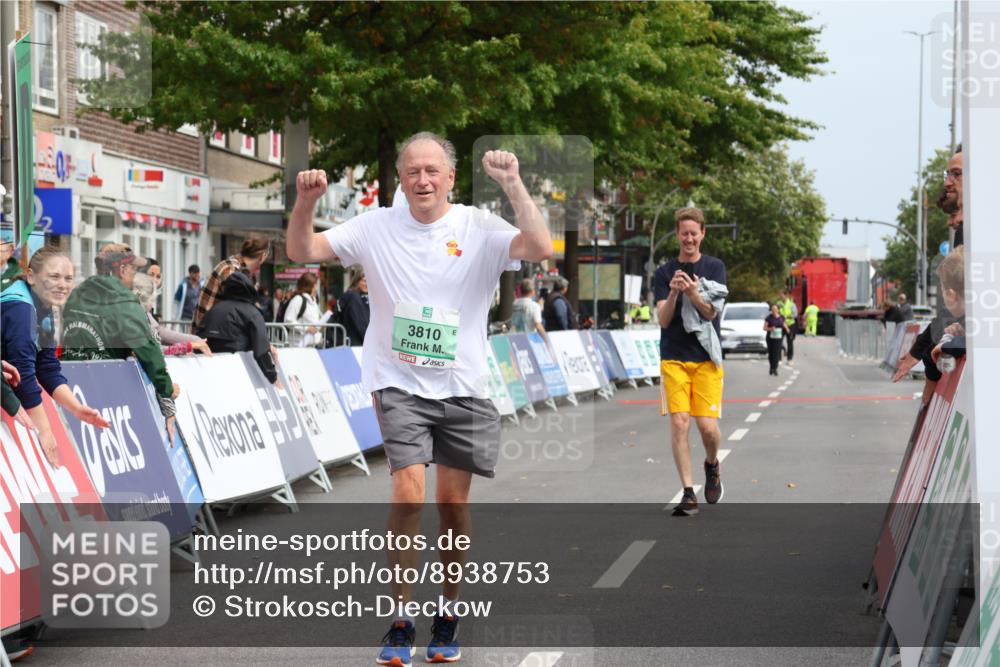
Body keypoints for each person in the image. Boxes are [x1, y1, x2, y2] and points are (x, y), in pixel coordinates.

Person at [286, 131, 551, 665]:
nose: (422, 180)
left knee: (453, 506)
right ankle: (401, 619)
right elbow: (303, 251)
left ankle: (447, 613)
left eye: (433, 170)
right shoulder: (376, 226)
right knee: (408, 496)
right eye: (412, 171)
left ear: (451, 177)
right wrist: (306, 203)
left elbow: (541, 247)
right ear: (401, 179)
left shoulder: (479, 226)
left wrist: (515, 185)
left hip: (464, 387)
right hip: (398, 382)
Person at [0, 246, 110, 467]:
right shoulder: (20, 306)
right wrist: (46, 430)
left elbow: (47, 367)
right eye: (54, 277)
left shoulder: (43, 303)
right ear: (31, 276)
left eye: (68, 278)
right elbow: (23, 374)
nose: (63, 285)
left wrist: (77, 409)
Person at [653, 207, 728, 517]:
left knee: (708, 429)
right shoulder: (663, 272)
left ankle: (712, 465)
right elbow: (664, 319)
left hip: (706, 359)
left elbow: (711, 313)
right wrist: (673, 293)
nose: (688, 238)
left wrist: (694, 293)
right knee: (680, 422)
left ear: (702, 234)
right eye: (683, 233)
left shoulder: (714, 267)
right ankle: (688, 492)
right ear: (677, 235)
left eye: (693, 233)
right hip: (674, 358)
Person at [61, 244, 180, 438]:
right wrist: (167, 388)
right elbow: (148, 350)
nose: (135, 275)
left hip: (69, 381)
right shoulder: (124, 301)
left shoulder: (78, 292)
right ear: (122, 270)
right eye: (133, 269)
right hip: (105, 386)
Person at [196, 270, 280, 386]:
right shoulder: (252, 312)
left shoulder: (214, 309)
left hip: (207, 370)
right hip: (237, 373)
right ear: (250, 288)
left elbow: (198, 340)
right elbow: (261, 351)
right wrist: (274, 378)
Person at [191, 235, 270, 332]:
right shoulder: (231, 270)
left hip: (208, 331)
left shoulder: (231, 265)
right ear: (263, 256)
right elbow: (240, 309)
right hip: (209, 335)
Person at [133, 272, 212, 356]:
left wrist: (196, 340)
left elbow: (159, 332)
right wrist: (188, 345)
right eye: (152, 300)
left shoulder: (141, 313)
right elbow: (152, 351)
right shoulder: (132, 318)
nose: (152, 304)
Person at [283, 272, 323, 347]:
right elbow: (288, 321)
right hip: (298, 344)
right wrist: (307, 328)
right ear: (309, 286)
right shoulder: (298, 299)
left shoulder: (313, 301)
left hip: (312, 344)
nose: (316, 288)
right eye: (315, 285)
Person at [337, 267, 371, 346]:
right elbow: (360, 322)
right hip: (354, 343)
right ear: (357, 281)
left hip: (357, 342)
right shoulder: (353, 296)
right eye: (364, 281)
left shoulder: (364, 296)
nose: (367, 284)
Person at [511, 278, 547, 343]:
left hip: (515, 338)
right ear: (532, 291)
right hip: (529, 340)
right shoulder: (535, 306)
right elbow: (538, 325)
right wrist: (546, 340)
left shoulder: (515, 304)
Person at [764, 303, 789, 375]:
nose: (774, 311)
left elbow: (784, 324)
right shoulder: (768, 318)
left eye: (775, 309)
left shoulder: (781, 317)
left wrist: (787, 329)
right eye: (772, 309)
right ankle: (771, 367)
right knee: (771, 354)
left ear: (778, 310)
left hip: (778, 338)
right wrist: (770, 328)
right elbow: (764, 328)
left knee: (776, 353)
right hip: (770, 338)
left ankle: (775, 368)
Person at [777, 289, 797, 362]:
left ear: (786, 295)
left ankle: (789, 358)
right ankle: (779, 359)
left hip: (790, 325)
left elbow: (795, 314)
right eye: (780, 295)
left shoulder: (792, 304)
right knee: (778, 341)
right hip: (781, 325)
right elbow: (775, 312)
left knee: (790, 342)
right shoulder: (778, 303)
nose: (780, 296)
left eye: (781, 295)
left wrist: (787, 316)